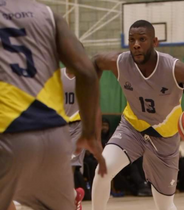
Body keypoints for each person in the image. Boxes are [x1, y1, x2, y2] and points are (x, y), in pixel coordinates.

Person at [90, 20, 184, 210]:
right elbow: (95, 61)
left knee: (164, 205)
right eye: (132, 40)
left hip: (166, 137)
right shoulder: (120, 62)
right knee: (102, 170)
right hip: (132, 128)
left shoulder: (174, 68)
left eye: (142, 39)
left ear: (155, 42)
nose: (136, 44)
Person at [0, 1, 107, 209]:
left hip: (8, 131)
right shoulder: (48, 14)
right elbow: (87, 73)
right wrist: (89, 134)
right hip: (55, 138)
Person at [61, 68, 88, 210]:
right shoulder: (56, 76)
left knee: (68, 167)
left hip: (79, 126)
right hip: (58, 127)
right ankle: (75, 195)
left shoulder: (85, 77)